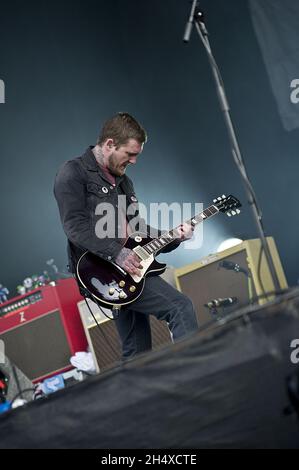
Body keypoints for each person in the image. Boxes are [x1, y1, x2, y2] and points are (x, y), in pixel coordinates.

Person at [54, 112, 198, 359]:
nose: (133, 161)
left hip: (128, 271)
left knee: (136, 351)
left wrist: (174, 237)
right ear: (110, 144)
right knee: (179, 307)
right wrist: (117, 253)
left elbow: (138, 230)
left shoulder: (124, 182)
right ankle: (198, 373)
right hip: (102, 272)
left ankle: (134, 396)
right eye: (130, 154)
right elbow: (74, 226)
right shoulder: (73, 172)